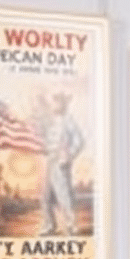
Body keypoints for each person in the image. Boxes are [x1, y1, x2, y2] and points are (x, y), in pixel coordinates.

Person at [36, 90, 85, 236]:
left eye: (59, 101)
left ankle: (71, 226)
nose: (56, 104)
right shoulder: (50, 121)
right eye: (55, 101)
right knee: (45, 196)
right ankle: (49, 225)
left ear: (64, 104)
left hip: (61, 163)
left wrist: (68, 155)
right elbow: (46, 140)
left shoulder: (69, 120)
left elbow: (79, 141)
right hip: (49, 161)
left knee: (64, 196)